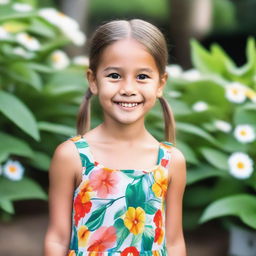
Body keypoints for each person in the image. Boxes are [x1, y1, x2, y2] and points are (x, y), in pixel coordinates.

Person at [44, 19, 187, 256]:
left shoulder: (171, 162)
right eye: (114, 75)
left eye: (142, 76)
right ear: (93, 80)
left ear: (161, 84)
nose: (128, 88)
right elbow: (57, 239)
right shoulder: (71, 157)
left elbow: (174, 242)